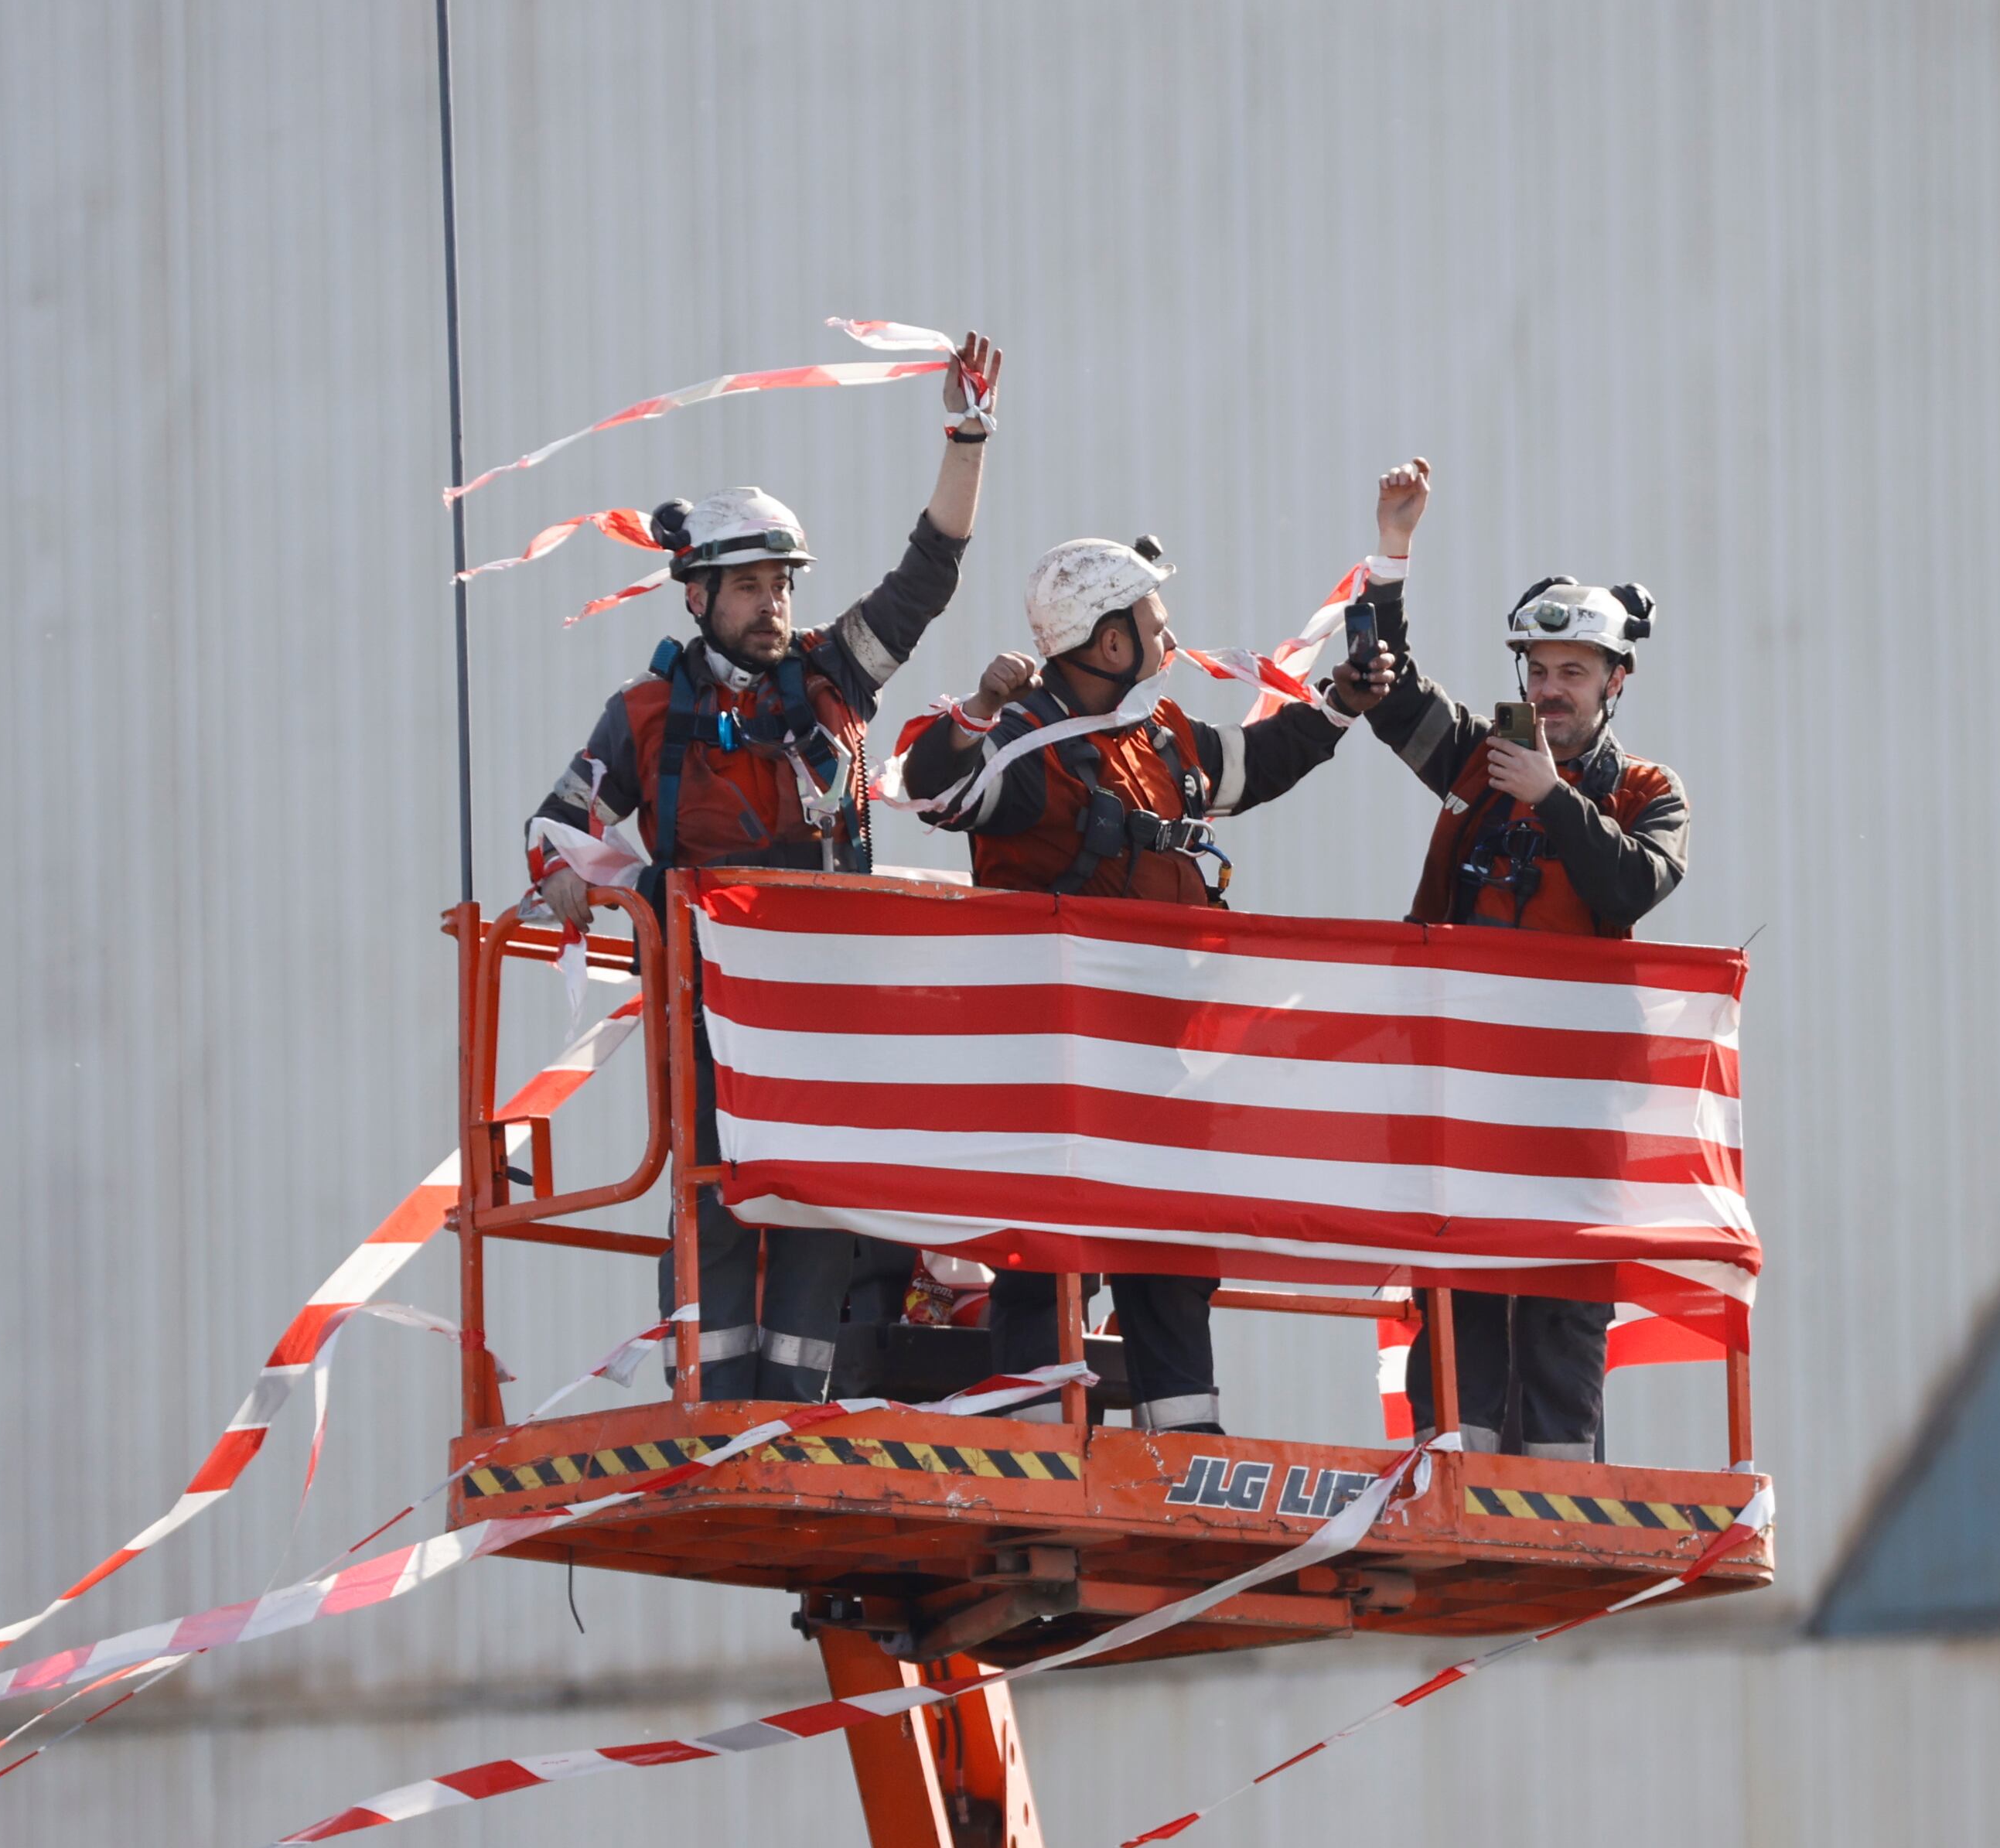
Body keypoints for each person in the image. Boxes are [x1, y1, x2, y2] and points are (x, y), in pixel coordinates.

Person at [523, 332, 1005, 1401]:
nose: (772, 604)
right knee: (718, 1201)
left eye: (781, 584)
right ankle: (711, 1403)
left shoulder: (833, 681)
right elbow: (558, 824)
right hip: (713, 1005)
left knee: (822, 1209)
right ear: (695, 597)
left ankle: (788, 1415)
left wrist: (968, 434)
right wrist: (568, 879)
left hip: (834, 1006)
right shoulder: (648, 715)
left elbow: (929, 574)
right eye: (748, 587)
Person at [898, 531, 1397, 1432]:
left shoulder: (1161, 736)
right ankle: (1039, 1446)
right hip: (1055, 1070)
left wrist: (1338, 706)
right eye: (1152, 621)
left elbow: (1253, 765)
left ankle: (1184, 1447)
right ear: (1110, 641)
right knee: (1047, 1261)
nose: (1168, 637)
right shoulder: (1022, 747)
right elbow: (934, 792)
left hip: (1163, 1063)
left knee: (1168, 1254)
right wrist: (976, 706)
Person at [1348, 456, 1688, 1460]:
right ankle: (1447, 1467)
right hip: (1465, 1089)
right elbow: (1385, 694)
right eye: (1537, 674)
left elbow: (1633, 884)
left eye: (1572, 674)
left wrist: (1551, 796)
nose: (1549, 693)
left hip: (1580, 1101)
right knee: (1457, 1285)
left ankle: (1559, 1490)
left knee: (1565, 1295)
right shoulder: (1480, 757)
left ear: (1615, 681)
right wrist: (1391, 552)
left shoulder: (1650, 789)